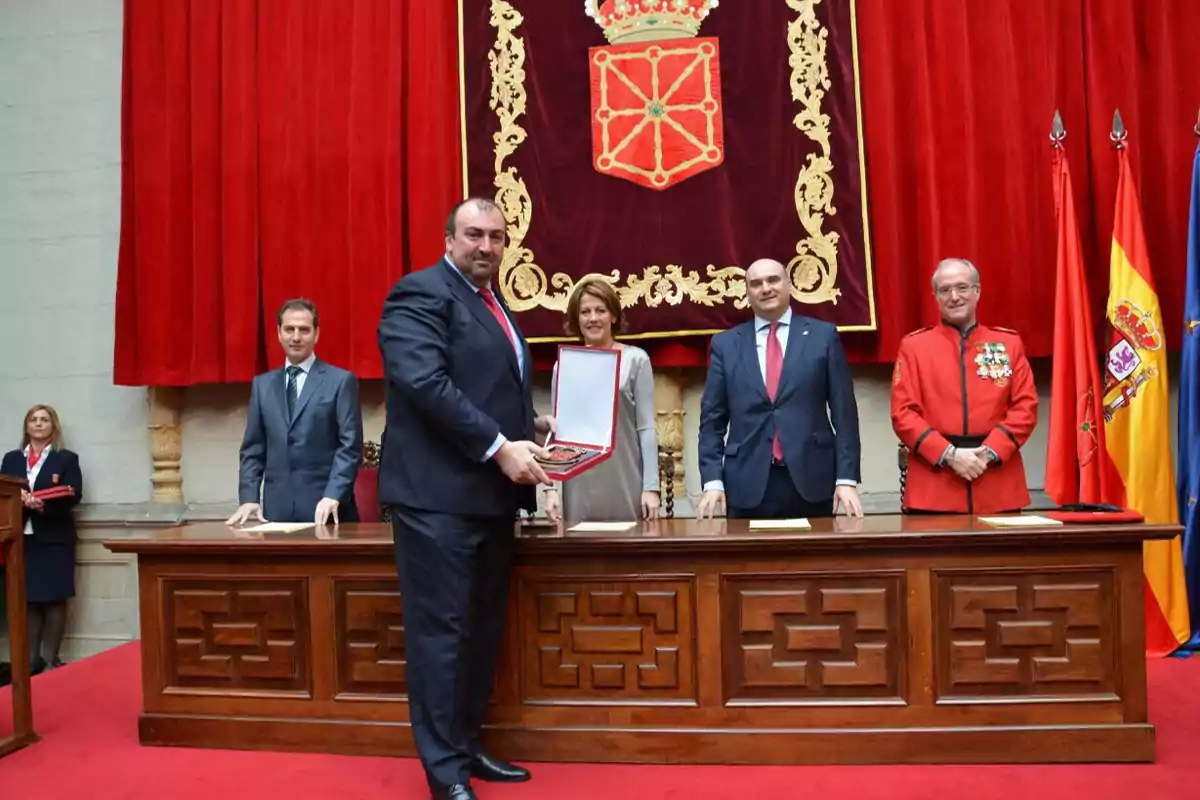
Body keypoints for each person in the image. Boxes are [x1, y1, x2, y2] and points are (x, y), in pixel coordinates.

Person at [377, 197, 554, 800]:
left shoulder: (492, 301)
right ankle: (444, 772)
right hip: (436, 501)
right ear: (449, 237)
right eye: (474, 235)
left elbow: (485, 384)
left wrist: (530, 429)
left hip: (489, 499)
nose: (486, 246)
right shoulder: (418, 294)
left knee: (479, 631)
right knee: (442, 636)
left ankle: (467, 745)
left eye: (497, 237)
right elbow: (423, 383)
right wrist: (501, 446)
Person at [697, 258, 863, 519]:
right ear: (747, 293)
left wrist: (846, 479)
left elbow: (844, 414)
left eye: (773, 280)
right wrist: (712, 481)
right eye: (756, 283)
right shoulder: (725, 345)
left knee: (816, 560)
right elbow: (712, 422)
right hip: (746, 484)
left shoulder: (823, 336)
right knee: (747, 561)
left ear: (789, 285)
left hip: (813, 480)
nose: (765, 288)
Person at [890, 258, 1038, 514]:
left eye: (962, 287)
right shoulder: (914, 347)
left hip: (997, 483)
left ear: (977, 291)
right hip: (935, 486)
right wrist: (949, 454)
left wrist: (990, 452)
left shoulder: (1008, 344)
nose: (954, 296)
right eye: (945, 290)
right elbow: (903, 414)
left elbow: (1025, 407)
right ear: (936, 296)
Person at [227, 298, 363, 527]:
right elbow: (253, 448)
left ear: (316, 334)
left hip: (328, 511)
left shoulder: (340, 382)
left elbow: (350, 447)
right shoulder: (263, 385)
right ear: (279, 333)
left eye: (304, 330)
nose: (296, 337)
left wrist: (333, 494)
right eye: (289, 329)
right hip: (276, 512)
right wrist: (249, 497)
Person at [544, 277, 660, 523]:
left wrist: (651, 487)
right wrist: (551, 488)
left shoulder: (636, 360)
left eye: (600, 310)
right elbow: (558, 433)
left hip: (625, 476)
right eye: (585, 312)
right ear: (576, 319)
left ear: (613, 316)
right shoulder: (563, 366)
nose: (593, 318)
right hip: (579, 481)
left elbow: (646, 427)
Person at [1, 404, 83, 673]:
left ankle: (52, 659)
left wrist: (43, 506)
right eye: (33, 420)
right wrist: (19, 500)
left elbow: (75, 495)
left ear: (53, 426)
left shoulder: (66, 459)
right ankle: (30, 660)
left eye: (44, 420)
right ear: (27, 426)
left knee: (55, 598)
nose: (38, 424)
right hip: (22, 539)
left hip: (54, 536)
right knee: (29, 598)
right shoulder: (12, 459)